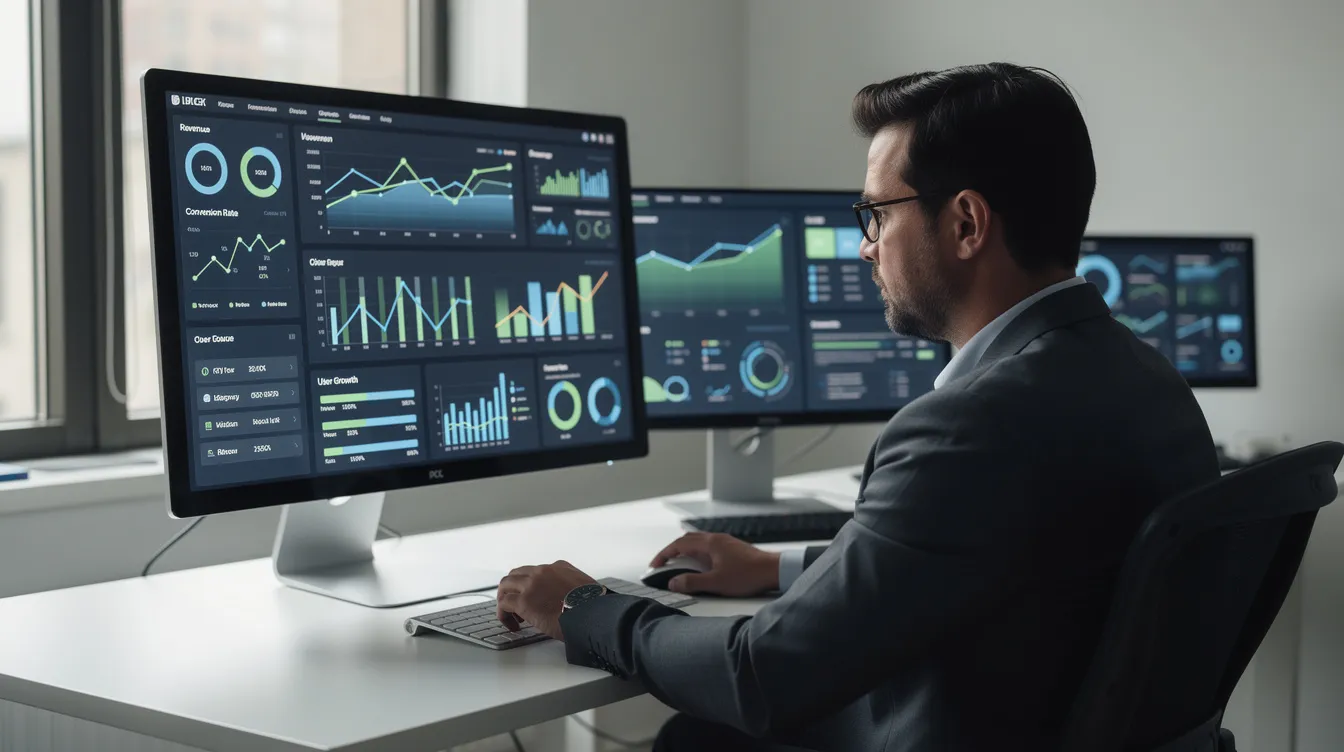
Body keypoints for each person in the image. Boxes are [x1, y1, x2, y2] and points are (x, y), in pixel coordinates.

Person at [493, 63, 1220, 751]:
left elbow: (763, 677)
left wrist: (586, 610)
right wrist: (782, 568)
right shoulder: (1144, 379)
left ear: (967, 224)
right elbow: (980, 556)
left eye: (875, 214)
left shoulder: (974, 424)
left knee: (704, 737)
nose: (865, 248)